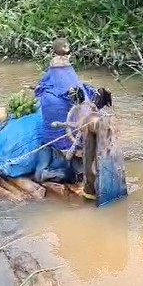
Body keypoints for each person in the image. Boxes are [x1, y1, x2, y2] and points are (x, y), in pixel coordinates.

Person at [33, 38, 111, 185]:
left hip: (58, 135)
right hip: (74, 136)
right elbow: (84, 104)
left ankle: (48, 171)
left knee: (46, 136)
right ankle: (75, 173)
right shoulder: (72, 84)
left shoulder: (48, 85)